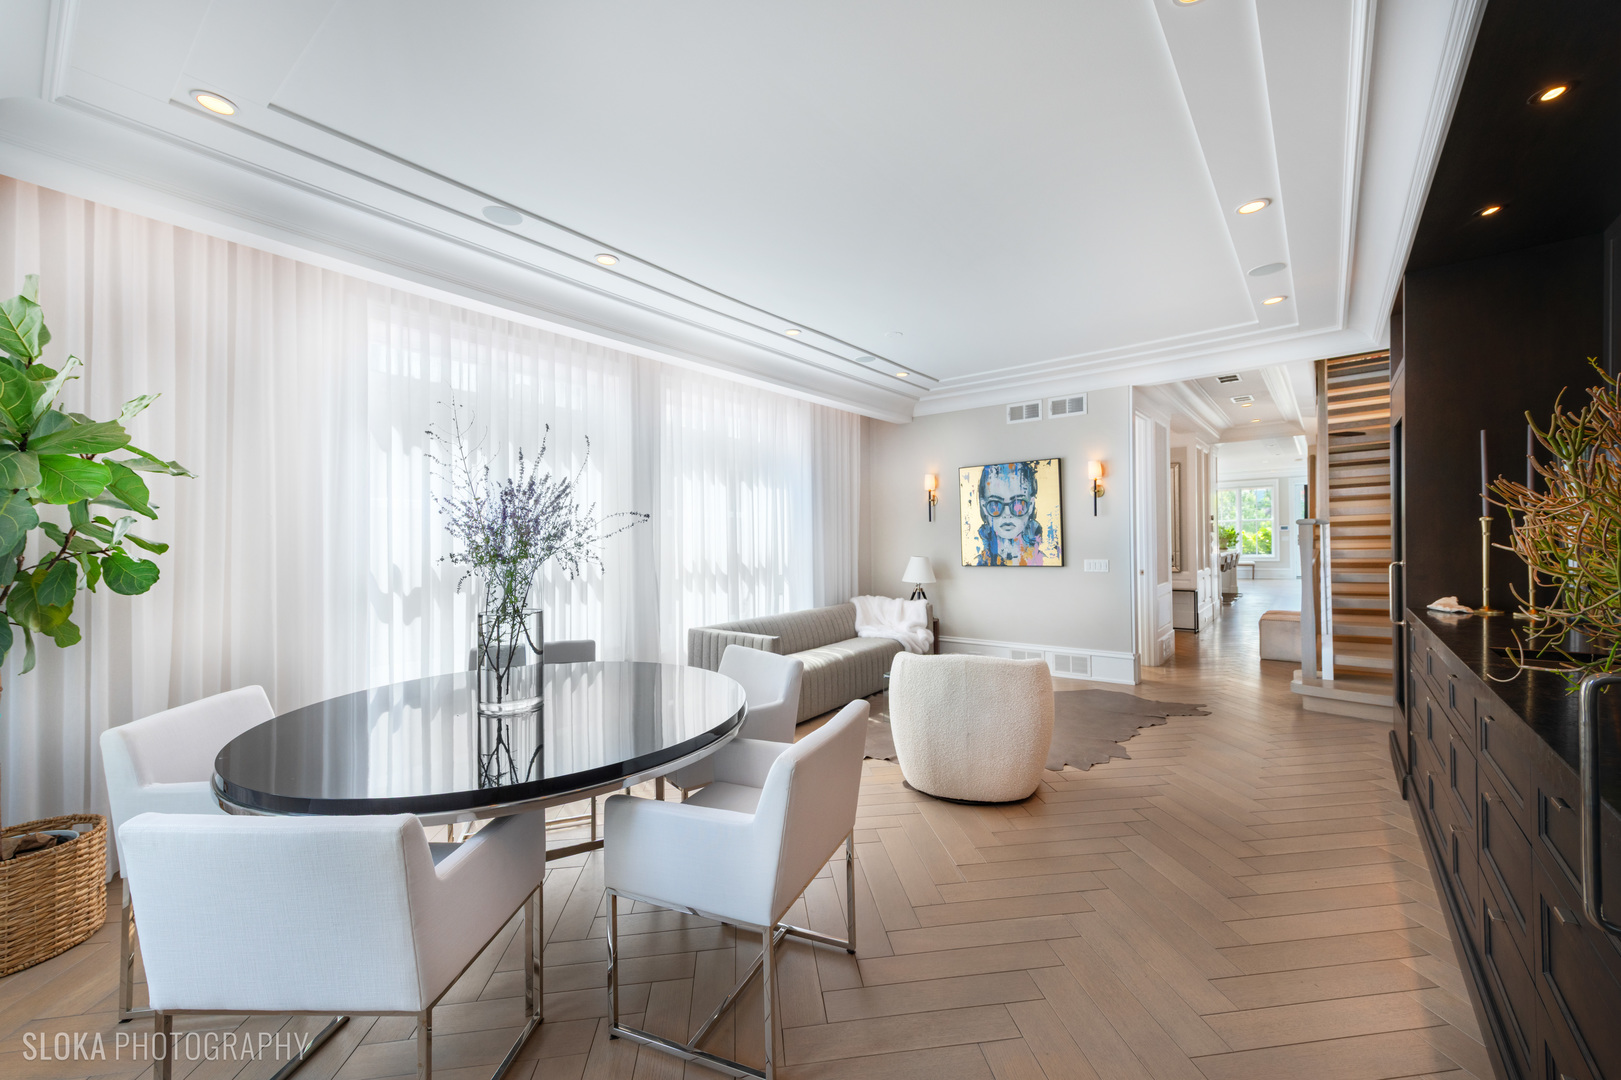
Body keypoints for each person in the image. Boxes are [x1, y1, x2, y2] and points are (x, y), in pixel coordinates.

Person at [973, 462, 1047, 565]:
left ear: (1030, 505)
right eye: (995, 504)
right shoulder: (979, 562)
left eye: (1018, 504)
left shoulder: (1043, 560)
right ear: (984, 507)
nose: (1007, 514)